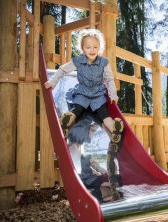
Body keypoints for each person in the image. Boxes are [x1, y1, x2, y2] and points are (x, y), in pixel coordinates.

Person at [44, 28, 123, 200]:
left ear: (99, 47)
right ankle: (72, 122)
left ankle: (113, 129)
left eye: (95, 47)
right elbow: (64, 70)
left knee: (91, 112)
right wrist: (52, 82)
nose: (92, 50)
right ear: (83, 48)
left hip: (91, 96)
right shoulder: (89, 62)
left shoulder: (99, 62)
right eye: (88, 47)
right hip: (88, 95)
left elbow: (109, 80)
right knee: (88, 112)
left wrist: (113, 95)